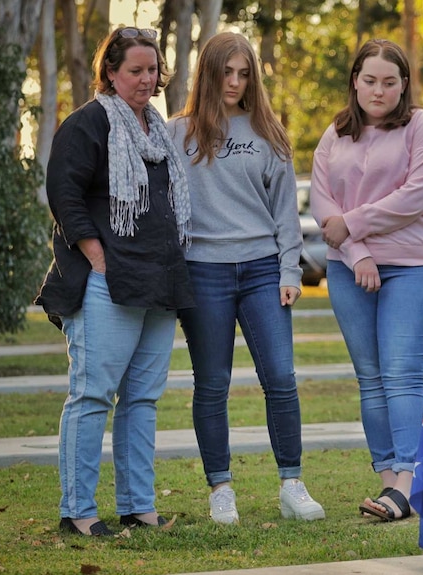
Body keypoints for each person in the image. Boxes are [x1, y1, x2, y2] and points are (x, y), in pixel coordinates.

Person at [35, 26, 194, 536]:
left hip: (159, 282)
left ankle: (138, 508)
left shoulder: (159, 131)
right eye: (135, 71)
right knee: (93, 396)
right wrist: (98, 255)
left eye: (152, 70)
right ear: (110, 71)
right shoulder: (88, 124)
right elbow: (64, 194)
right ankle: (78, 513)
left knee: (143, 398)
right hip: (107, 281)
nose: (146, 80)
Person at [167, 32, 324, 524]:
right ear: (208, 74)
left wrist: (289, 270)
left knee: (280, 378)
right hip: (202, 273)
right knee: (212, 384)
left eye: (244, 73)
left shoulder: (269, 132)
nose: (235, 82)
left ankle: (292, 484)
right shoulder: (178, 134)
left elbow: (285, 216)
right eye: (226, 72)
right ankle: (221, 488)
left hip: (261, 270)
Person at [310, 38, 423, 522]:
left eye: (389, 82)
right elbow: (323, 205)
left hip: (415, 265)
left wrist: (354, 227)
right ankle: (389, 486)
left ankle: (407, 482)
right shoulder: (336, 133)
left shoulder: (422, 127)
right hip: (350, 269)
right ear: (355, 81)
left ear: (404, 85)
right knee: (370, 380)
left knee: (402, 374)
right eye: (369, 80)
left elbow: (417, 196)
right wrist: (357, 252)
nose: (379, 90)